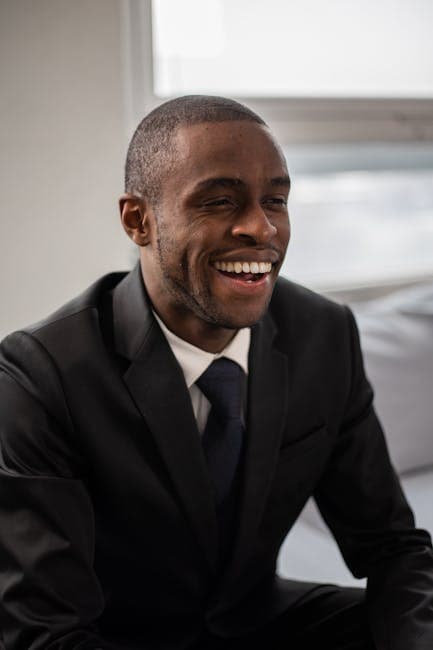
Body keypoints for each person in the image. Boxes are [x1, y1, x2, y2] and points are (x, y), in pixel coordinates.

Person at [0, 95, 432, 650]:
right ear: (139, 220)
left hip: (258, 619)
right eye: (220, 201)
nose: (261, 228)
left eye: (275, 200)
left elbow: (394, 546)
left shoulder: (324, 335)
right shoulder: (39, 376)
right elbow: (43, 634)